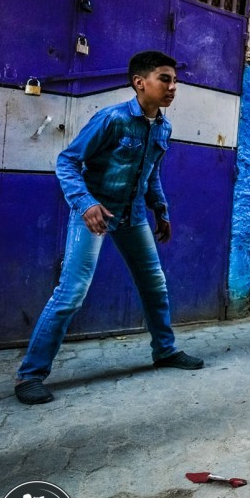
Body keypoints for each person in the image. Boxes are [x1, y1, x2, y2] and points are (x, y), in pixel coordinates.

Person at [14, 51, 204, 405]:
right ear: (139, 82)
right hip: (95, 214)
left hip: (133, 216)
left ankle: (164, 351)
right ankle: (30, 375)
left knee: (155, 285)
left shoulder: (163, 127)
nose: (173, 87)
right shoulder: (111, 120)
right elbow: (67, 162)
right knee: (72, 293)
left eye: (175, 81)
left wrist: (160, 210)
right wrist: (85, 204)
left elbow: (151, 174)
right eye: (165, 79)